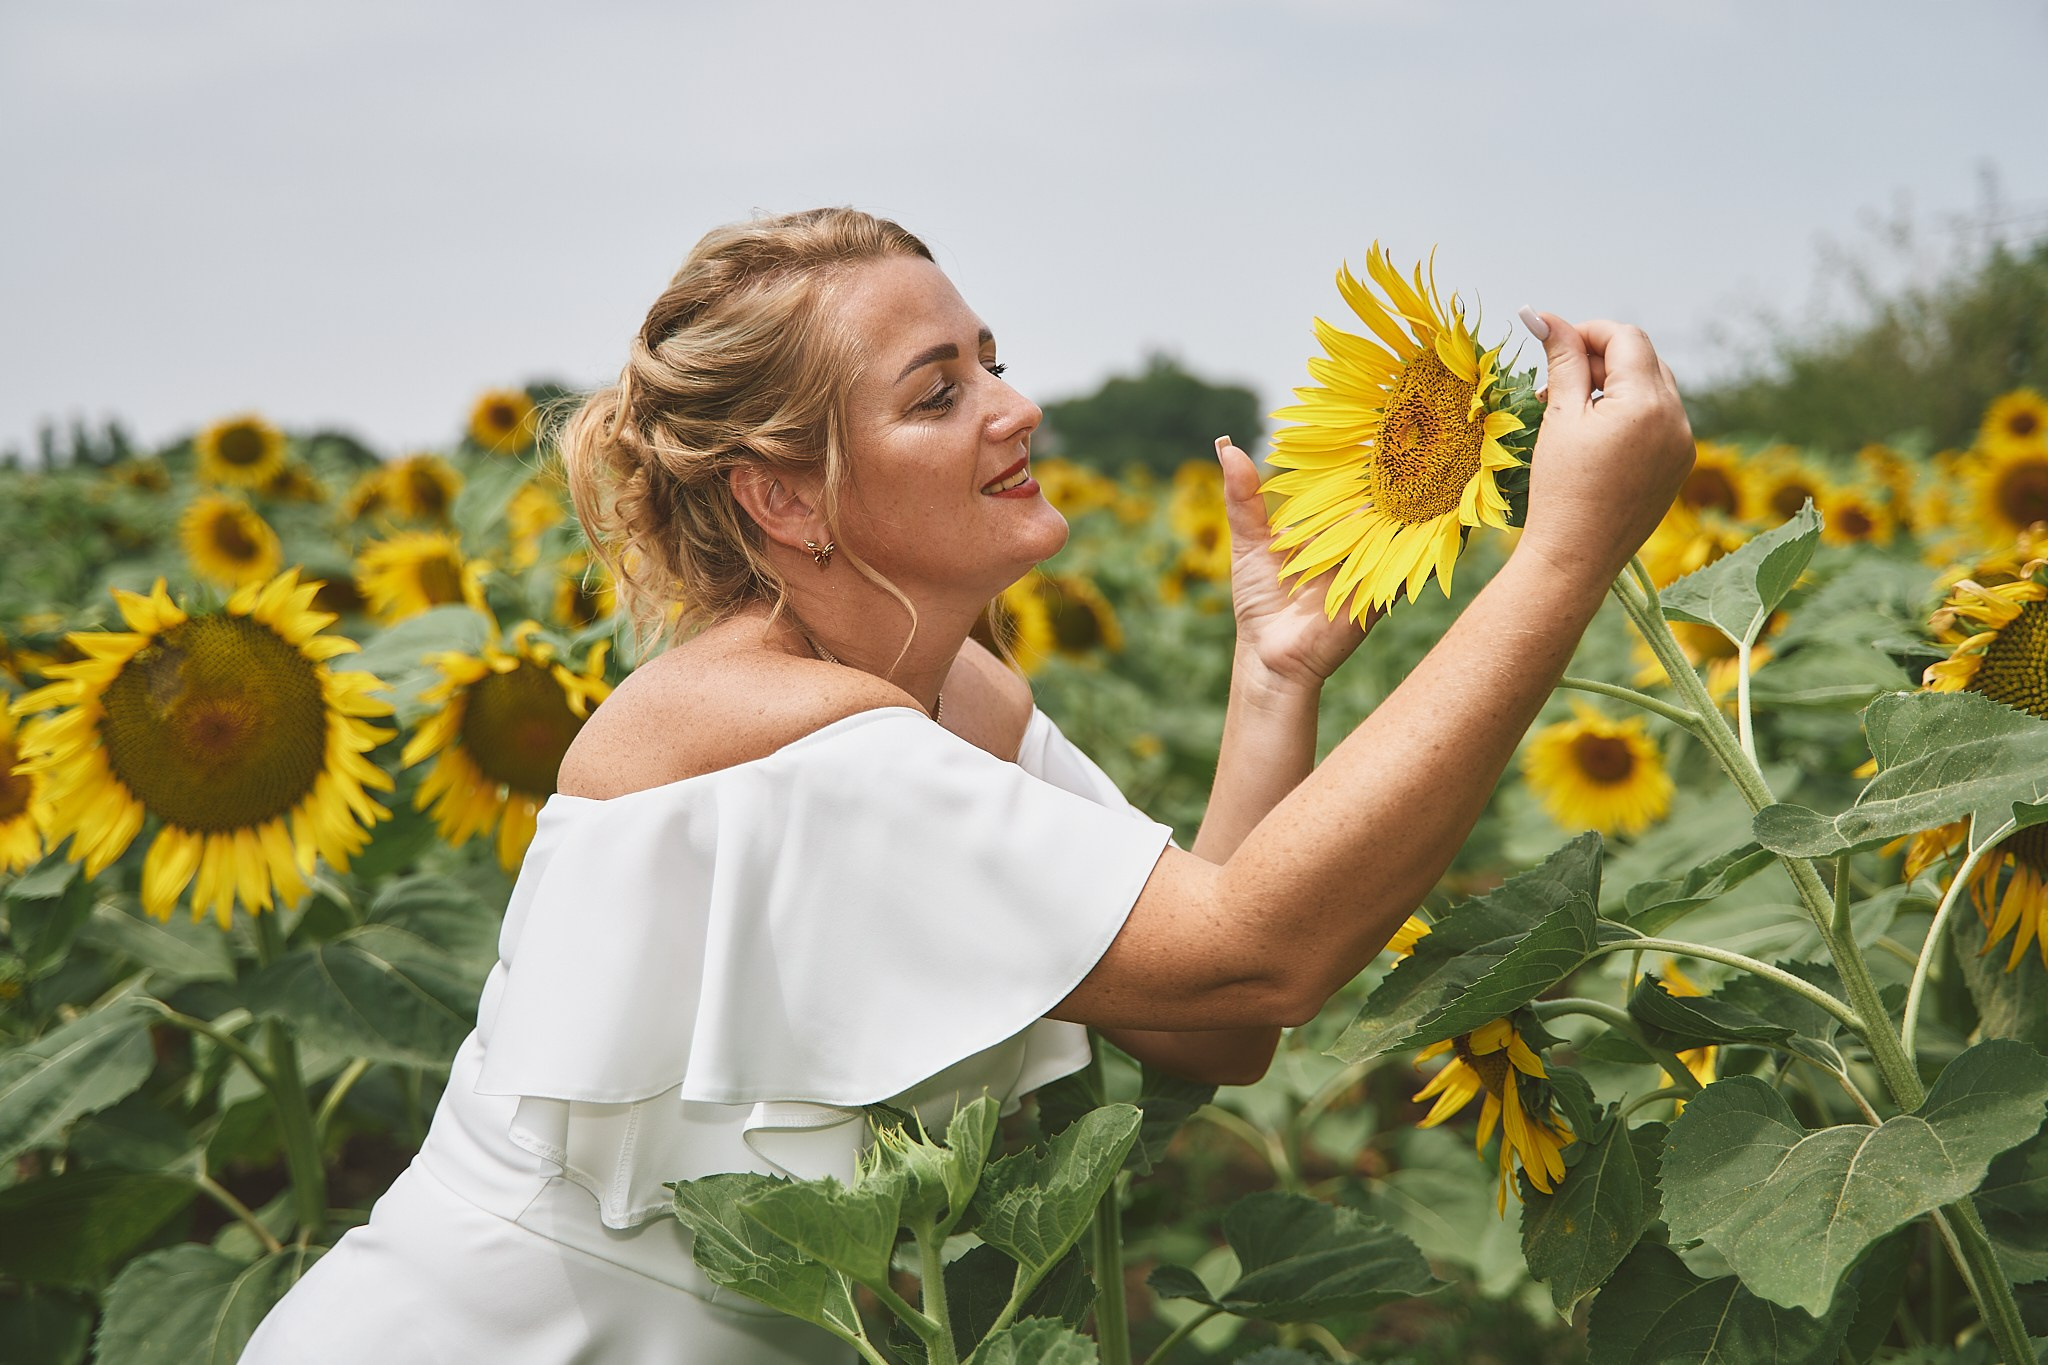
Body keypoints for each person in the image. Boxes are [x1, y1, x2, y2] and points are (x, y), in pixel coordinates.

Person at [243, 207, 1694, 1363]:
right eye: (941, 393)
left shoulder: (956, 694)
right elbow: (1263, 948)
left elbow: (1210, 1022)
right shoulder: (778, 734)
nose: (1017, 407)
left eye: (992, 358)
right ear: (786, 496)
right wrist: (1561, 556)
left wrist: (1276, 675)